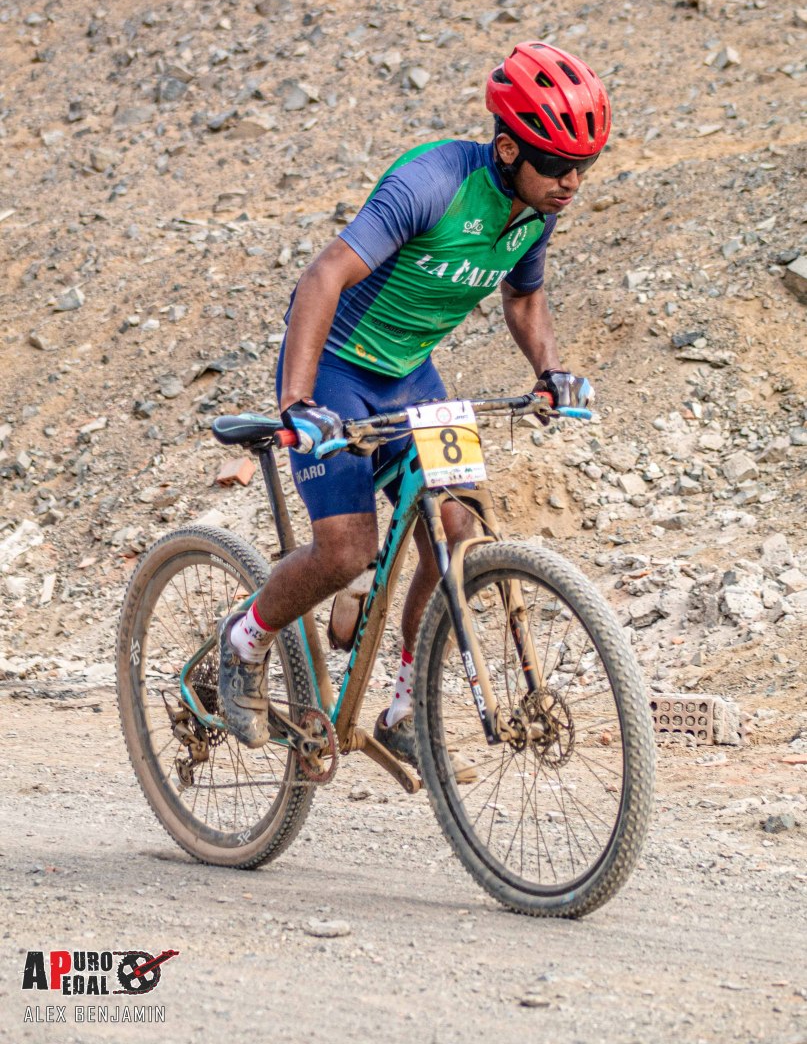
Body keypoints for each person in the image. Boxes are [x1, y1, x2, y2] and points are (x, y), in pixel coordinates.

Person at [217, 40, 610, 760]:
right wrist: (298, 400)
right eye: (557, 164)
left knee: (459, 529)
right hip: (337, 372)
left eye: (585, 164)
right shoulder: (431, 182)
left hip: (410, 376)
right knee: (347, 549)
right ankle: (244, 640)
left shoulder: (536, 208)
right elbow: (322, 276)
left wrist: (551, 371)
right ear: (506, 149)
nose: (572, 182)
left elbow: (524, 298)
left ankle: (406, 702)